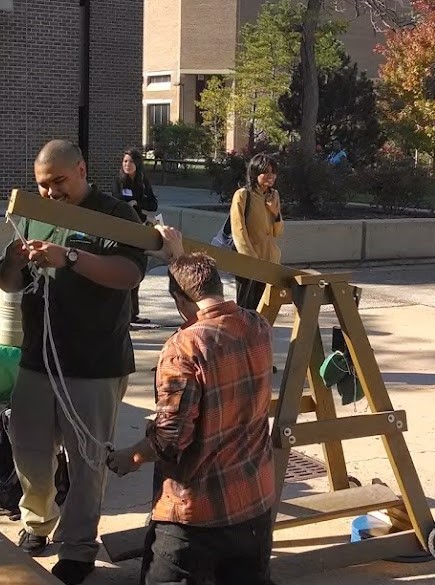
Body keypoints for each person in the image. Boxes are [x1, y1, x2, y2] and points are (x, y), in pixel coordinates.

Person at [0, 140, 146, 585]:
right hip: (38, 356)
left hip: (95, 361)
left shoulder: (116, 215)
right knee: (29, 453)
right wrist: (13, 260)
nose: (50, 193)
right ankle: (38, 521)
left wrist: (71, 258)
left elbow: (130, 274)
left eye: (59, 182)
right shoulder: (32, 211)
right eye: (43, 185)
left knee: (87, 461)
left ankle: (78, 548)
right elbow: (7, 283)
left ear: (81, 169)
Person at [107, 231, 277, 585]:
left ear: (179, 303)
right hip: (254, 504)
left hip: (197, 515)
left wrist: (131, 457)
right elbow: (194, 295)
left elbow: (171, 439)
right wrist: (178, 259)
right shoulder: (257, 326)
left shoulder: (184, 348)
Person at [229, 153, 281, 311]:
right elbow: (238, 230)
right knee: (245, 305)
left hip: (269, 259)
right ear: (255, 173)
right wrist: (251, 259)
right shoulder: (243, 195)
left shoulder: (274, 195)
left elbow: (277, 232)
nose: (270, 176)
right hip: (249, 260)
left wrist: (275, 212)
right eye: (266, 172)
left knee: (262, 307)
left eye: (273, 172)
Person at [118, 149, 160, 325]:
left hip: (141, 229)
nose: (127, 165)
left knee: (137, 270)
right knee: (125, 270)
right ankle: (124, 315)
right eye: (125, 161)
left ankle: (133, 313)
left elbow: (153, 204)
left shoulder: (142, 182)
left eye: (130, 162)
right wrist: (134, 207)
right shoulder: (119, 181)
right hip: (125, 231)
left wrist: (138, 205)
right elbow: (120, 203)